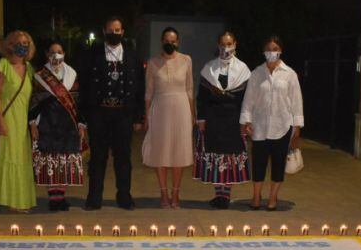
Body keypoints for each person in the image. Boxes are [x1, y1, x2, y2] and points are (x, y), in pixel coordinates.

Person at [79, 16, 146, 210]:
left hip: (123, 115)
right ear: (104, 31)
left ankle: (124, 196)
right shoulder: (92, 55)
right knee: (97, 158)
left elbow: (139, 87)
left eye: (117, 30)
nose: (114, 34)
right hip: (99, 115)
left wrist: (138, 116)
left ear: (123, 32)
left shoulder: (132, 56)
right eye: (110, 30)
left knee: (123, 158)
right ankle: (94, 197)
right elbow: (84, 86)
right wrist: (84, 117)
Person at [239, 35, 303, 211]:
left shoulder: (290, 74)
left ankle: (273, 197)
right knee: (258, 162)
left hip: (282, 126)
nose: (271, 52)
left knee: (278, 164)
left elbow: (296, 101)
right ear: (263, 51)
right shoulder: (256, 73)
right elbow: (248, 100)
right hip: (259, 127)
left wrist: (297, 125)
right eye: (268, 49)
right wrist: (246, 121)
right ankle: (256, 196)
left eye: (275, 49)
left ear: (281, 51)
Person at [196, 31, 250, 208]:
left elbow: (247, 100)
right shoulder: (209, 68)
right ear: (218, 45)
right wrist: (201, 119)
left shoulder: (243, 70)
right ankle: (218, 195)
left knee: (230, 158)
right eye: (222, 44)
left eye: (229, 44)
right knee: (215, 157)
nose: (225, 48)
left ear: (235, 45)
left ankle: (226, 195)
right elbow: (202, 98)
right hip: (213, 119)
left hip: (234, 120)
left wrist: (246, 121)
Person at [29, 40, 86, 211]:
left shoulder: (72, 74)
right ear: (47, 54)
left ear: (64, 54)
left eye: (59, 51)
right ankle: (53, 198)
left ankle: (61, 196)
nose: (56, 55)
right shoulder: (40, 76)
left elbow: (78, 103)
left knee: (65, 161)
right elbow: (33, 102)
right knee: (50, 161)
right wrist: (32, 123)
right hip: (47, 123)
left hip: (68, 124)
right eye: (53, 51)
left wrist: (81, 123)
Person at [142, 27, 195, 208]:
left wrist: (193, 114)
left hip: (181, 110)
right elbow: (148, 92)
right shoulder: (153, 62)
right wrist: (146, 116)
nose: (169, 44)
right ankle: (163, 192)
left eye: (173, 41)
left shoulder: (186, 60)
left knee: (179, 152)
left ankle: (176, 193)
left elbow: (189, 89)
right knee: (160, 151)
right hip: (159, 111)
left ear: (177, 42)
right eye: (166, 40)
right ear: (161, 41)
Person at [0, 30, 38, 212]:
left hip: (24, 121)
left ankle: (22, 199)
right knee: (12, 158)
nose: (23, 46)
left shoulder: (29, 68)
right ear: (10, 44)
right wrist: (0, 121)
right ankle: (12, 200)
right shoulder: (3, 65)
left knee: (23, 159)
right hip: (9, 120)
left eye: (26, 43)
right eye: (20, 42)